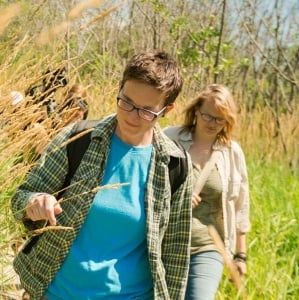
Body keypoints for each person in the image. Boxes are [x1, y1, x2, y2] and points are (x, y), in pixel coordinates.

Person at [11, 50, 193, 300]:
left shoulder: (175, 165)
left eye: (146, 111)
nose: (131, 115)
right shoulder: (78, 139)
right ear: (119, 88)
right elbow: (21, 197)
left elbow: (175, 253)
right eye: (126, 101)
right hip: (57, 292)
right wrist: (35, 203)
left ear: (167, 109)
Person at [163, 84, 251, 300]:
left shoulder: (232, 152)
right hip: (166, 243)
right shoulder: (169, 138)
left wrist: (240, 256)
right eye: (207, 116)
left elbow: (241, 206)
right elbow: (149, 185)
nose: (212, 123)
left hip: (209, 246)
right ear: (196, 112)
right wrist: (177, 196)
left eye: (220, 119)